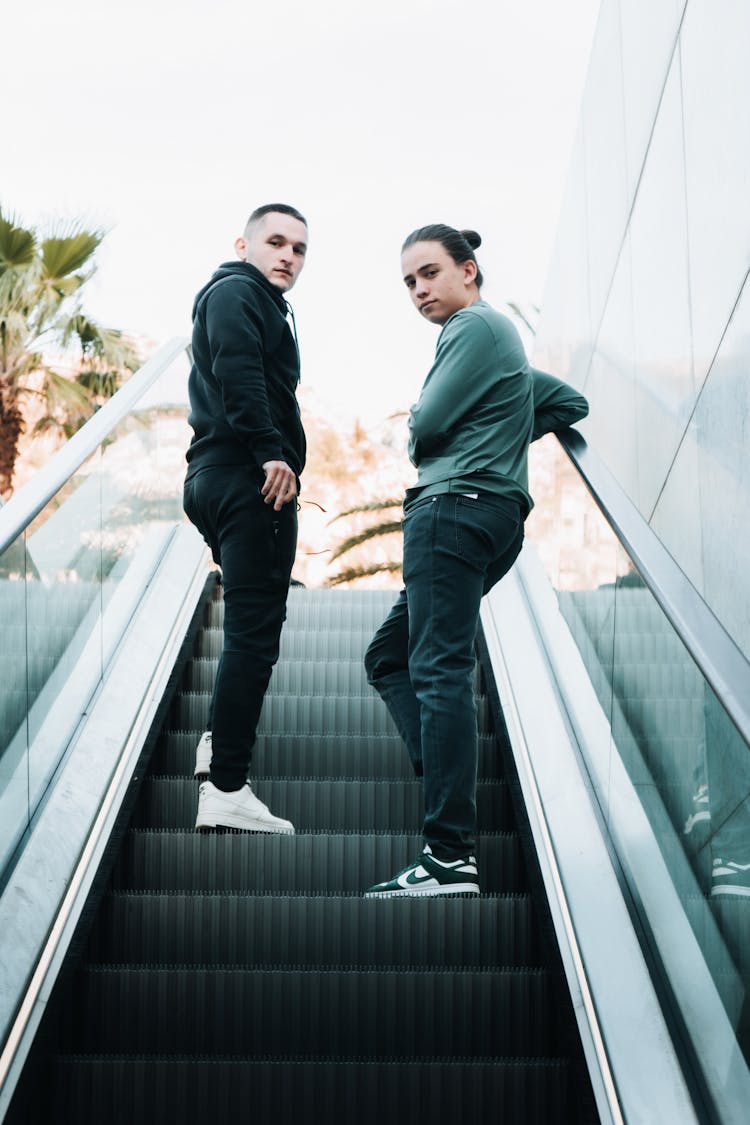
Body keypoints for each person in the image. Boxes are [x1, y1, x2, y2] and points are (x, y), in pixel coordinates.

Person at [364, 224, 589, 897]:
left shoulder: (471, 328)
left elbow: (425, 427)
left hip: (451, 510)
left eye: (429, 273)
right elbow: (567, 403)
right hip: (491, 517)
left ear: (468, 271)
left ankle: (448, 853)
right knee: (390, 657)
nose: (419, 290)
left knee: (437, 670)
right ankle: (446, 789)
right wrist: (499, 426)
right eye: (409, 281)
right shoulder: (504, 350)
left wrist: (424, 421)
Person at [183, 203, 308, 834]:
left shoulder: (240, 297)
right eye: (276, 242)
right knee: (254, 637)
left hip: (215, 477)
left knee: (248, 628)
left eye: (299, 249)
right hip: (245, 477)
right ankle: (227, 785)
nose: (288, 255)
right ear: (245, 244)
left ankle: (215, 743)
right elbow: (238, 372)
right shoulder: (238, 291)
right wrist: (270, 452)